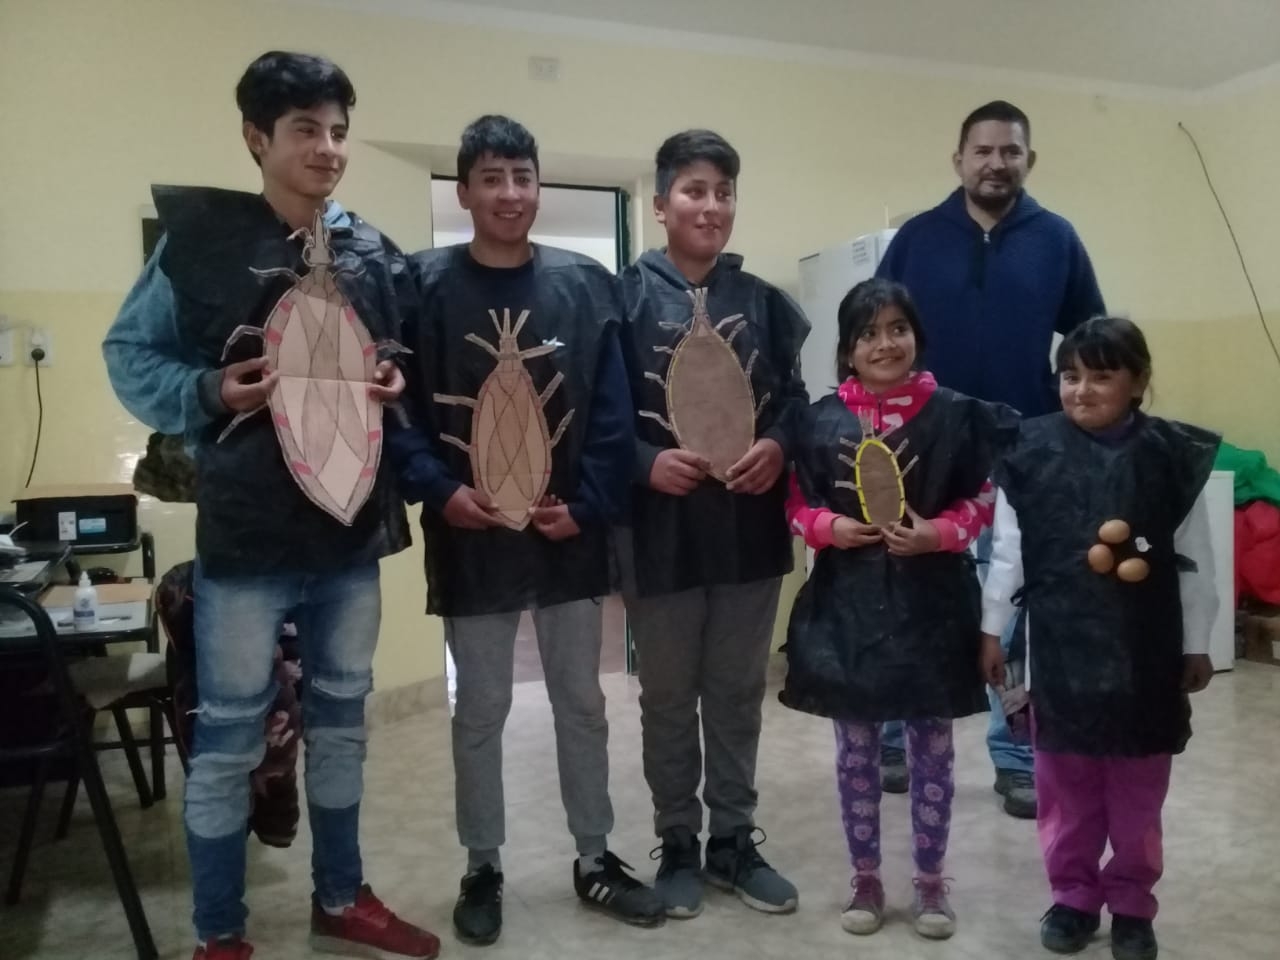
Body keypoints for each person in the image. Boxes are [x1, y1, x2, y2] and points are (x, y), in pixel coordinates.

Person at [101, 51, 438, 960]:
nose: (328, 149)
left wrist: (392, 376)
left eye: (339, 131)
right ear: (257, 138)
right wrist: (211, 390)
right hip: (246, 540)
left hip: (349, 534)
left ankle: (341, 896)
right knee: (227, 738)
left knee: (342, 724)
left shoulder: (370, 250)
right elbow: (130, 355)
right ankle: (220, 934)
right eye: (305, 130)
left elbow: (400, 357)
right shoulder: (201, 241)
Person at [389, 115, 662, 946]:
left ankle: (594, 856)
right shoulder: (421, 287)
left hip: (568, 533)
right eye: (492, 177)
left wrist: (587, 506)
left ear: (539, 185)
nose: (510, 194)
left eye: (523, 176)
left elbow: (613, 414)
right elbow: (397, 409)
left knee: (583, 702)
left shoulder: (585, 285)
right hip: (470, 538)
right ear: (464, 190)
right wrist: (439, 491)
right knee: (480, 708)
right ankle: (482, 864)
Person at [875, 99, 1106, 818]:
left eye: (1010, 152)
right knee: (909, 596)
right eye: (983, 151)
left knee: (1012, 608)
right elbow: (871, 328)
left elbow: (1090, 339)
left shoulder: (1056, 240)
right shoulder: (917, 239)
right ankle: (892, 737)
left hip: (1021, 450)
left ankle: (1015, 754)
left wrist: (1082, 422)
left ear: (1028, 160)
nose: (996, 163)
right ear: (959, 160)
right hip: (922, 448)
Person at [781, 278, 1015, 940]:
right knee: (855, 752)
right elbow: (795, 503)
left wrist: (937, 533)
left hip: (933, 608)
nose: (884, 344)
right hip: (847, 608)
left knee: (932, 753)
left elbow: (984, 500)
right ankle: (865, 877)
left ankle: (932, 882)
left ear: (916, 336)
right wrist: (828, 527)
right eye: (868, 333)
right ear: (847, 349)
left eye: (897, 329)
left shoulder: (957, 415)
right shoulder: (818, 421)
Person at [980, 316, 1219, 960]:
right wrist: (992, 629)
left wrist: (1197, 639)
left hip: (1146, 652)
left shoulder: (1169, 455)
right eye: (1069, 376)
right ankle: (1074, 896)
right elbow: (1008, 554)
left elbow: (1194, 557)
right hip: (1061, 652)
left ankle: (1133, 903)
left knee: (1138, 789)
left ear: (1137, 382)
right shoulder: (1029, 450)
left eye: (1101, 376)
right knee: (1067, 785)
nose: (1081, 390)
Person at [617, 129, 808, 920]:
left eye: (724, 192)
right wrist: (642, 464)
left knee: (735, 691)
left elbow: (797, 403)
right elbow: (593, 417)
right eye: (694, 190)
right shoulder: (620, 301)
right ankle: (678, 841)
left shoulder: (763, 302)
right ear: (661, 204)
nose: (711, 206)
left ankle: (732, 839)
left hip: (748, 531)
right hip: (657, 536)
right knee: (667, 696)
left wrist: (780, 444)